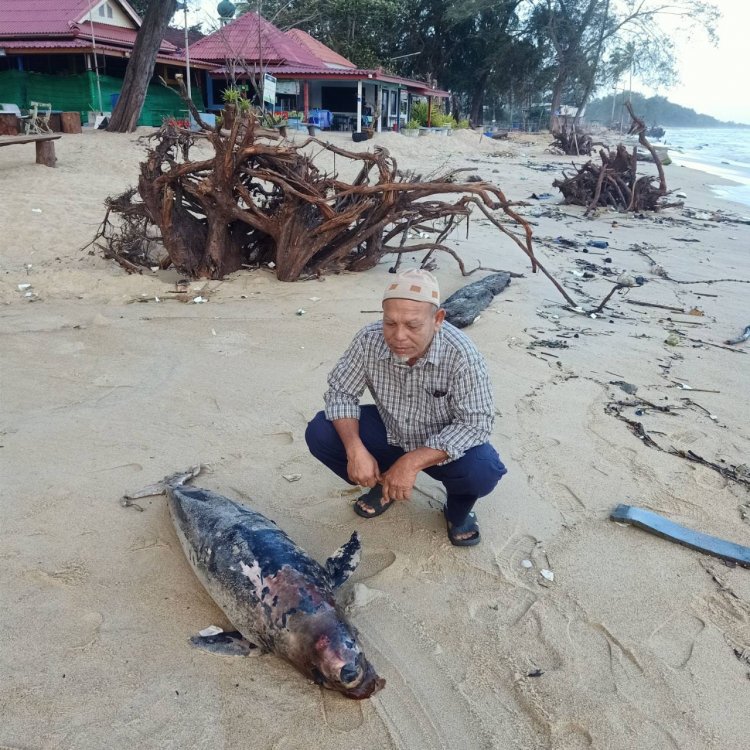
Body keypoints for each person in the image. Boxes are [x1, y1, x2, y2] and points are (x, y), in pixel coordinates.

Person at [305, 269, 507, 546]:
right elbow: (340, 393)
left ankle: (457, 510)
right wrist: (355, 450)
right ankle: (382, 483)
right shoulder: (369, 340)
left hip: (440, 443)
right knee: (320, 432)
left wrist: (411, 462)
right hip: (393, 431)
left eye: (412, 326)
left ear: (437, 320)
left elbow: (476, 423)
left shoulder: (462, 355)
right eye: (390, 323)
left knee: (483, 471)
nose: (398, 336)